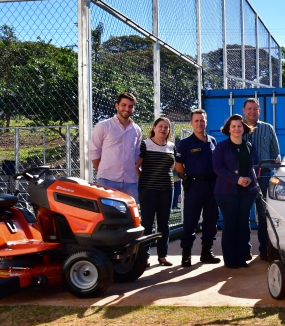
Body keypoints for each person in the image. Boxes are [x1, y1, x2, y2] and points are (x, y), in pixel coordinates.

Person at [212, 114, 260, 269]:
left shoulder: (249, 146)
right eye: (233, 126)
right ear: (228, 129)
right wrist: (237, 179)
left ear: (244, 128)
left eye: (239, 126)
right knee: (231, 223)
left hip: (247, 192)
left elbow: (256, 166)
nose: (236, 129)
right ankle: (230, 259)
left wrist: (250, 179)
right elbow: (218, 168)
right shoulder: (221, 147)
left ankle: (241, 257)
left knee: (243, 224)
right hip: (226, 192)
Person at [175, 109, 221, 268]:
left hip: (212, 186)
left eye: (202, 120)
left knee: (211, 220)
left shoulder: (213, 141)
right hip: (194, 186)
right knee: (190, 220)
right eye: (196, 121)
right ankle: (186, 254)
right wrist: (185, 179)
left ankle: (206, 252)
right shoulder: (186, 143)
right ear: (191, 123)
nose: (200, 123)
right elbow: (179, 167)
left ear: (206, 122)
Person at [241, 98, 280, 261]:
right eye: (249, 109)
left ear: (260, 111)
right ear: (244, 111)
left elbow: (275, 154)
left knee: (264, 214)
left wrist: (275, 164)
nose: (252, 111)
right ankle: (244, 249)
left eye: (255, 109)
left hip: (263, 176)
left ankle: (265, 250)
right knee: (242, 214)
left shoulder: (268, 129)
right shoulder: (237, 127)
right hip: (243, 178)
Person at [136, 117, 175, 267]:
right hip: (148, 191)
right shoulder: (145, 145)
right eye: (160, 126)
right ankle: (144, 256)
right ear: (154, 128)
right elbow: (136, 166)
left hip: (167, 190)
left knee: (164, 224)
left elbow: (171, 168)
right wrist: (145, 180)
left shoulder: (171, 146)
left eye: (166, 127)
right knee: (147, 223)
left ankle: (162, 256)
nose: (163, 129)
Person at [89, 92, 142, 202]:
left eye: (130, 106)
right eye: (123, 105)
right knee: (108, 216)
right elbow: (94, 151)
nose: (127, 109)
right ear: (116, 105)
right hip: (107, 181)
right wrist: (104, 172)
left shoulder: (136, 130)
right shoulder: (103, 126)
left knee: (131, 217)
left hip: (130, 182)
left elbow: (137, 154)